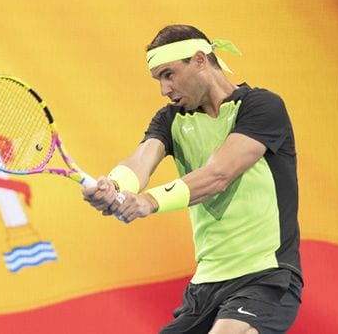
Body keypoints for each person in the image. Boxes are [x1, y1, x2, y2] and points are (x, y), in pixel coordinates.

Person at [83, 25, 302, 334]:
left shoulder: (262, 107)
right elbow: (141, 161)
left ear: (200, 60)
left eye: (168, 74)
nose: (164, 89)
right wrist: (115, 187)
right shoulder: (171, 119)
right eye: (158, 79)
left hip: (265, 275)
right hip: (206, 284)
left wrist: (148, 202)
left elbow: (218, 174)